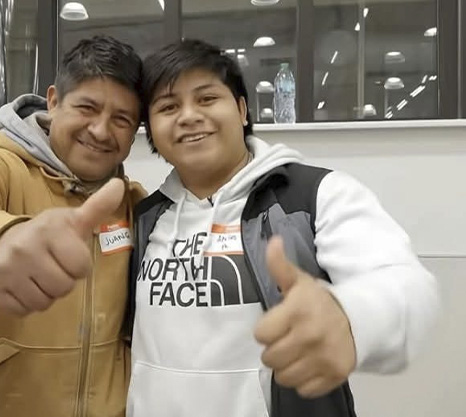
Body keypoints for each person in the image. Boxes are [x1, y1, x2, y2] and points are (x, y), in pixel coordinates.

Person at [126, 39, 439, 417]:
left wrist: (351, 317)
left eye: (207, 99)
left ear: (242, 109)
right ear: (150, 128)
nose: (189, 116)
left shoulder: (314, 196)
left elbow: (403, 283)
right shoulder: (144, 217)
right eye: (168, 107)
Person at [0, 35, 146, 417]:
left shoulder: (133, 204)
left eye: (121, 119)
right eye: (87, 108)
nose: (101, 131)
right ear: (53, 101)